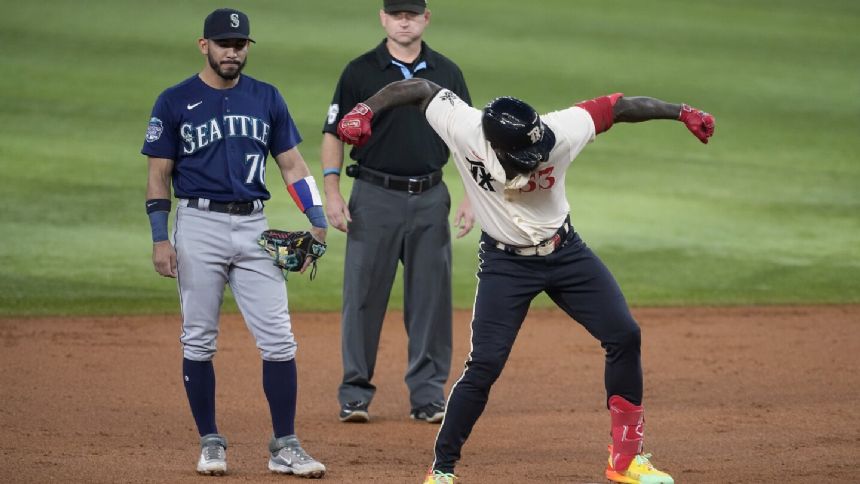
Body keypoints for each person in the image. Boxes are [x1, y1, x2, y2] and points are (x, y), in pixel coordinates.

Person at [336, 78, 715, 483]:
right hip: (506, 266)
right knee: (484, 365)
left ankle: (625, 462)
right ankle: (442, 471)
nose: (535, 160)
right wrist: (366, 108)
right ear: (494, 146)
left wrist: (681, 111)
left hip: (565, 252)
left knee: (624, 335)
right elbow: (418, 88)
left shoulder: (562, 131)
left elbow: (618, 107)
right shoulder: (464, 126)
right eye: (523, 156)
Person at [141, 8, 327, 478]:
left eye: (240, 44)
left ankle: (284, 444)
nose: (232, 51)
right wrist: (161, 239)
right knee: (199, 337)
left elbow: (291, 164)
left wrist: (317, 216)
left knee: (280, 338)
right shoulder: (174, 100)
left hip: (254, 226)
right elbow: (158, 176)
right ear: (204, 45)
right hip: (197, 225)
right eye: (223, 43)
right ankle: (210, 441)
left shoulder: (266, 97)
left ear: (248, 48)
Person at [320, 0, 474, 424]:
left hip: (430, 197)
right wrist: (332, 192)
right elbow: (333, 133)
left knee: (430, 301)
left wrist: (472, 195)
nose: (403, 20)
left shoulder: (447, 72)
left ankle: (427, 396)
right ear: (383, 18)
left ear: (426, 18)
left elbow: (468, 137)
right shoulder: (359, 71)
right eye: (396, 13)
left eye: (412, 13)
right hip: (373, 195)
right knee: (363, 298)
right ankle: (354, 393)